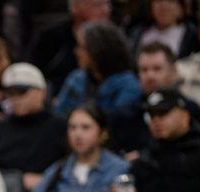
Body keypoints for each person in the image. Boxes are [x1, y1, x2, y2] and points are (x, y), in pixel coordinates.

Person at [109, 87, 200, 192]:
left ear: (185, 116)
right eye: (151, 115)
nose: (156, 120)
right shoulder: (144, 161)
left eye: (163, 113)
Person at [26, 104, 130, 192]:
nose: (78, 134)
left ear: (103, 133)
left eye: (86, 127)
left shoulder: (120, 169)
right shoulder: (59, 168)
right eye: (72, 128)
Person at [0, 63, 68, 192]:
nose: (15, 99)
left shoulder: (60, 127)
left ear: (42, 92)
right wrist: (17, 180)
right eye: (10, 93)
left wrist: (47, 179)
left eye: (22, 92)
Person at [54, 21, 143, 152]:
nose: (76, 51)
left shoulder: (128, 85)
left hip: (112, 151)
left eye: (81, 47)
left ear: (98, 50)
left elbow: (119, 128)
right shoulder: (76, 78)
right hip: (72, 148)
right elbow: (60, 116)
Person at [25, 0, 113, 95]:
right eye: (97, 5)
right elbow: (29, 71)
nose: (105, 10)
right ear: (76, 8)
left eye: (107, 4)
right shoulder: (52, 37)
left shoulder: (115, 40)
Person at [136, 41, 200, 134]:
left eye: (157, 68)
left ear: (174, 72)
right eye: (144, 70)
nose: (150, 76)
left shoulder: (190, 109)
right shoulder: (127, 113)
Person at [126, 0, 199, 59]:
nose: (164, 6)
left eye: (171, 1)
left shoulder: (194, 36)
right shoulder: (136, 32)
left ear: (181, 8)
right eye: (158, 1)